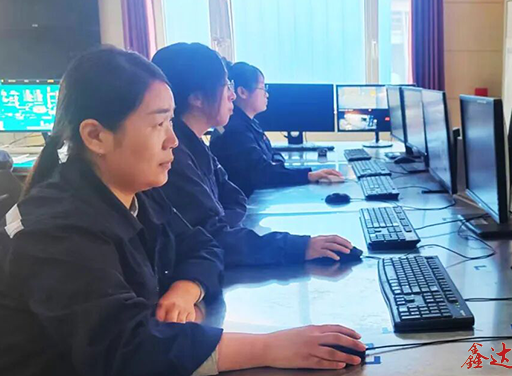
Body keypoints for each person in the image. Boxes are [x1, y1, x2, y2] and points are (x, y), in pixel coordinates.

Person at [0, 47, 364, 375]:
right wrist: (270, 347)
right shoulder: (54, 231)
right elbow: (126, 349)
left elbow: (203, 245)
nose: (173, 140)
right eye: (158, 124)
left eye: (171, 122)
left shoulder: (139, 195)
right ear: (96, 136)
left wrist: (186, 289)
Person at [152, 43, 355, 267]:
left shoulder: (196, 145)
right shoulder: (174, 158)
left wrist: (223, 226)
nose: (231, 95)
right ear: (197, 98)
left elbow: (235, 199)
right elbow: (214, 238)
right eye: (226, 86)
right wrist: (300, 247)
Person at [210, 61, 343, 197]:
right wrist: (308, 175)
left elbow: (272, 155)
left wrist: (275, 166)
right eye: (263, 88)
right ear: (242, 92)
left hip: (254, 197)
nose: (267, 94)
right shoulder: (235, 130)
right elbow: (262, 173)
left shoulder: (249, 124)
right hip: (246, 202)